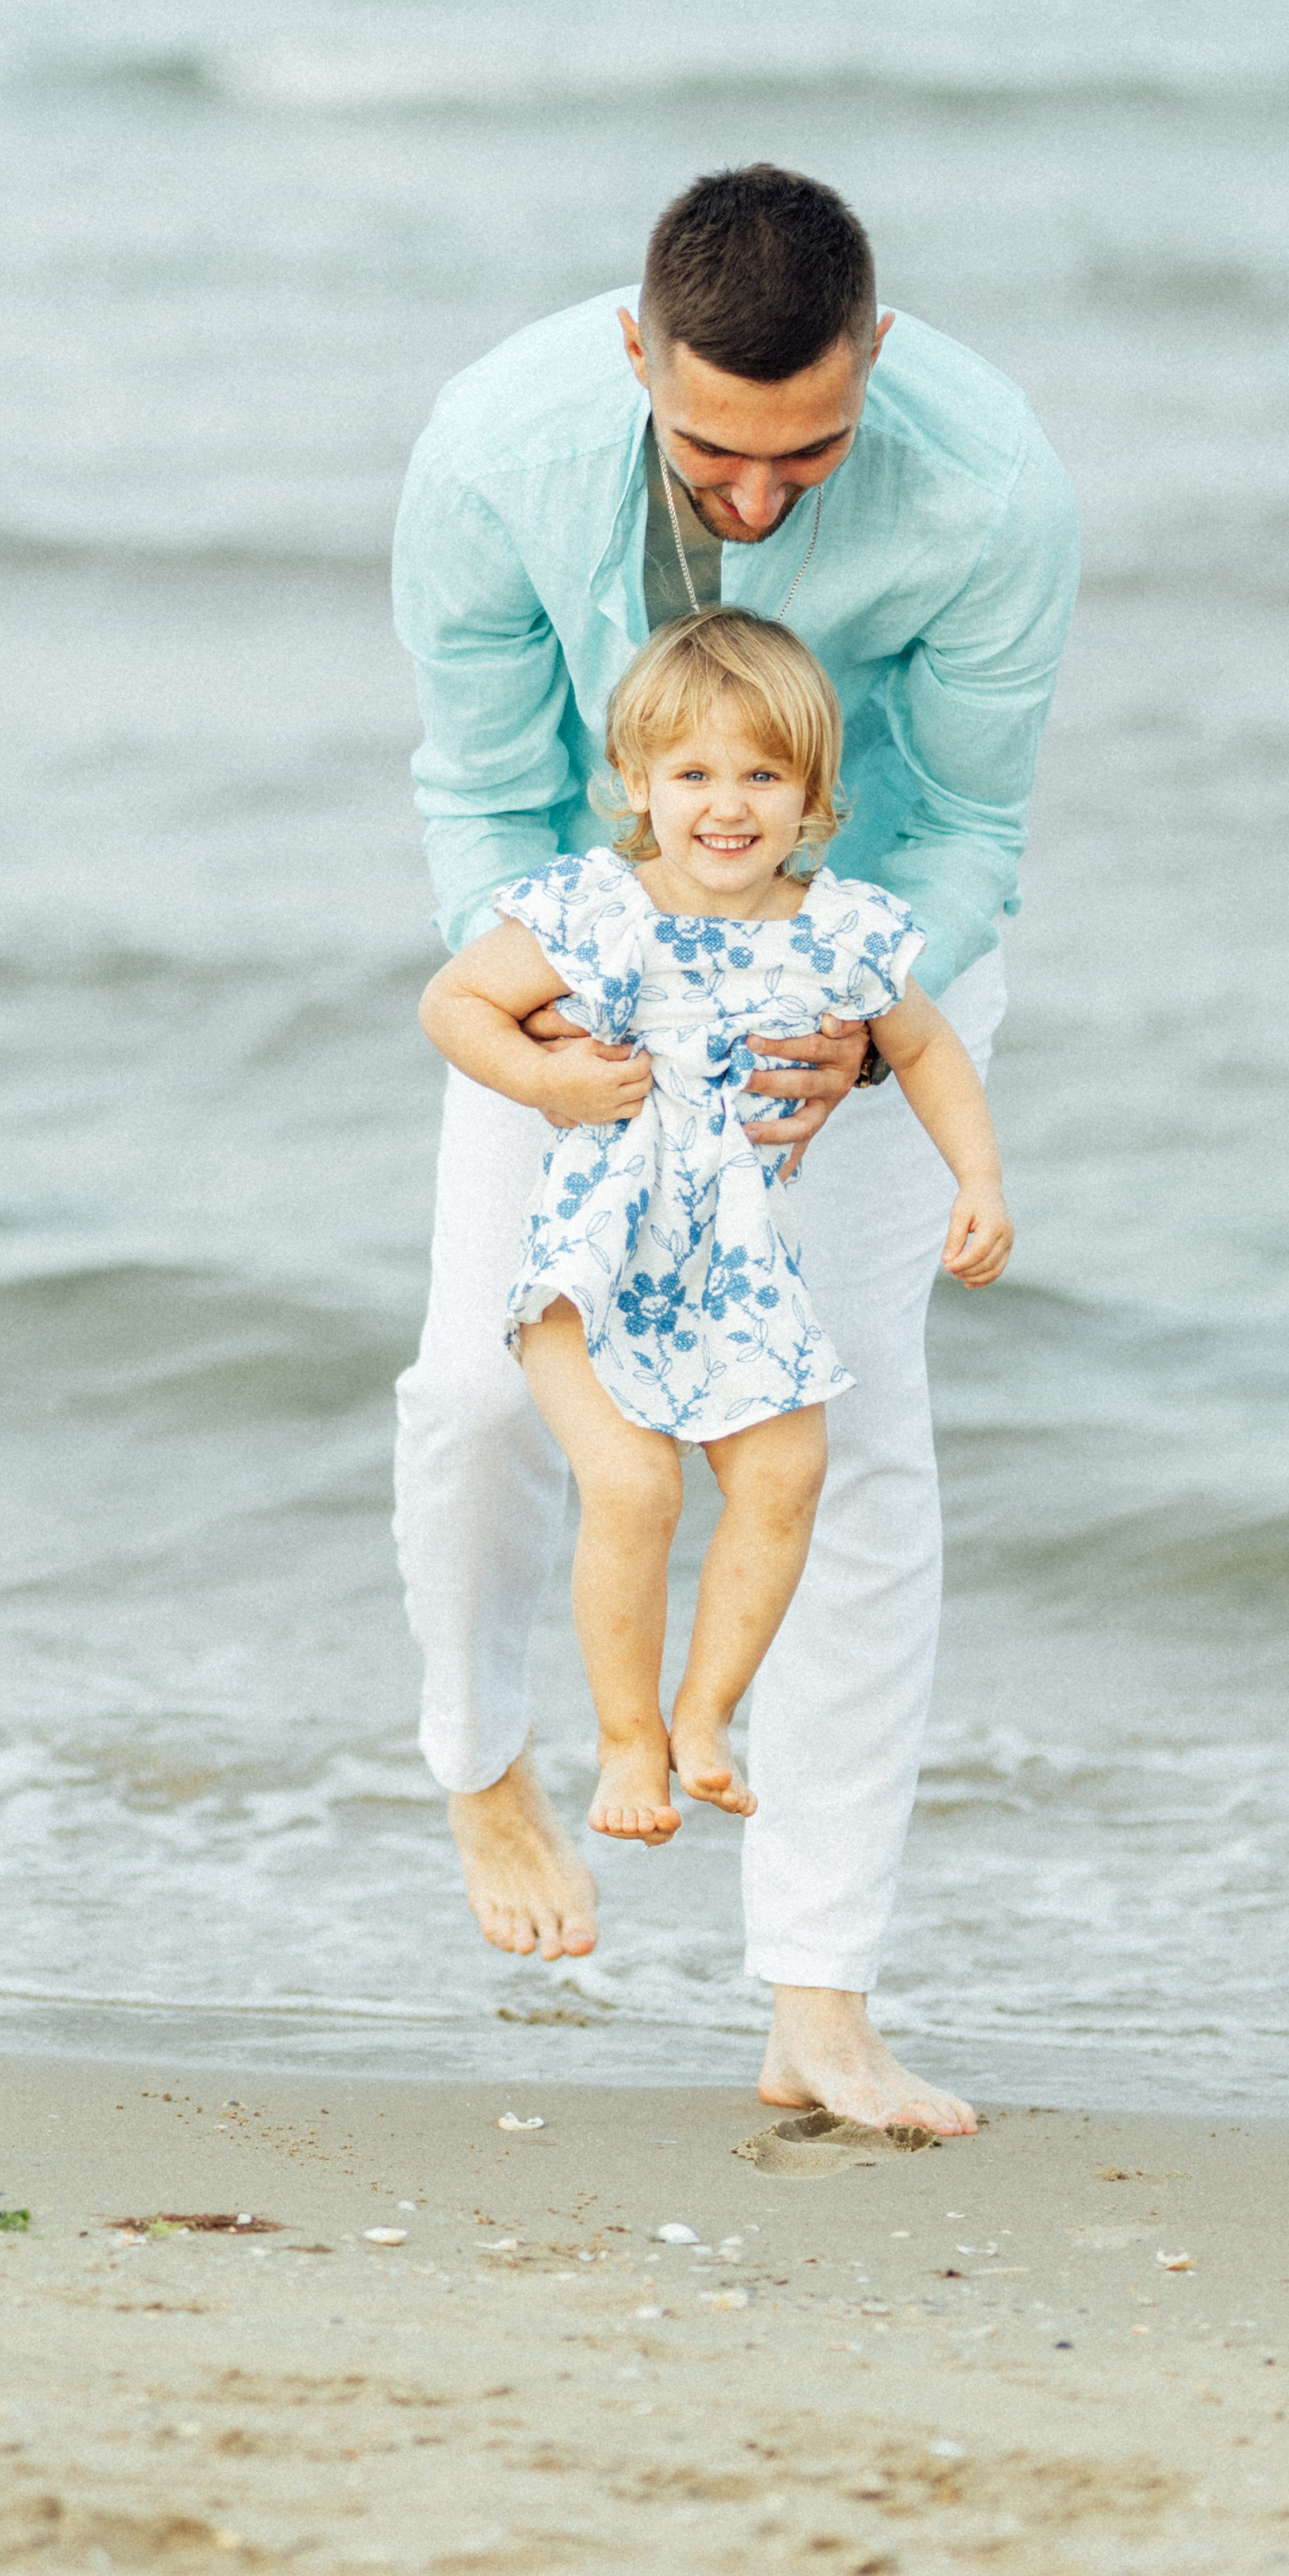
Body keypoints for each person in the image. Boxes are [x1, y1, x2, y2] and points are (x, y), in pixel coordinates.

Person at [393, 164, 1078, 2134]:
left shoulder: (991, 489)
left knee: (846, 1448)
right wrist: (540, 1024)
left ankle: (820, 1998)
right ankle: (482, 1759)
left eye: (811, 451)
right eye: (711, 452)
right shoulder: (495, 449)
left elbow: (967, 827)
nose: (759, 501)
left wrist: (866, 1029)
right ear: (636, 357)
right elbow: (480, 776)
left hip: (859, 975)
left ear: (873, 357)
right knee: (472, 1391)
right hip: (585, 967)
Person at [418, 608, 1013, 1852]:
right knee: (631, 1486)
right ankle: (626, 1735)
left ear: (814, 798)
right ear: (637, 784)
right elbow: (456, 998)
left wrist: (979, 1179)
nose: (726, 804)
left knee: (789, 1475)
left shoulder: (838, 928)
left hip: (739, 1271)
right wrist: (547, 1084)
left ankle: (705, 1710)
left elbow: (925, 1047)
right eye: (692, 773)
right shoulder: (596, 910)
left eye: (762, 774)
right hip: (591, 1267)